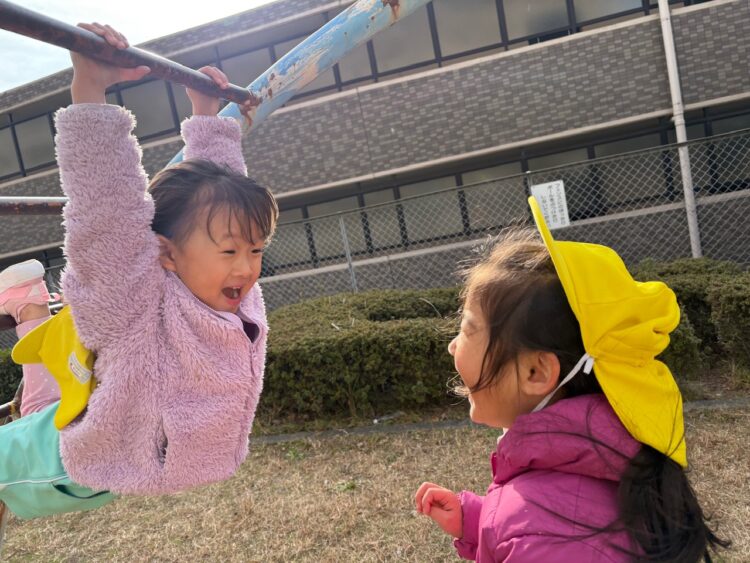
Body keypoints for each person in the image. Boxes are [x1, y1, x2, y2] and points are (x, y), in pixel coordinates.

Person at [0, 22, 277, 519]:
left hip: (120, 442)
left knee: (48, 406)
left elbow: (223, 197)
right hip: (77, 463)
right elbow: (107, 211)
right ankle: (28, 306)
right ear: (166, 253)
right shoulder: (134, 299)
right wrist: (90, 89)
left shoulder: (233, 294)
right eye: (232, 251)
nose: (248, 267)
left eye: (256, 250)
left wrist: (208, 118)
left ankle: (29, 306)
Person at [414, 197, 729, 562]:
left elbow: (549, 536)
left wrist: (517, 529)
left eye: (468, 329)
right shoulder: (595, 460)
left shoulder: (548, 534)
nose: (453, 345)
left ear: (536, 373)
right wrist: (478, 521)